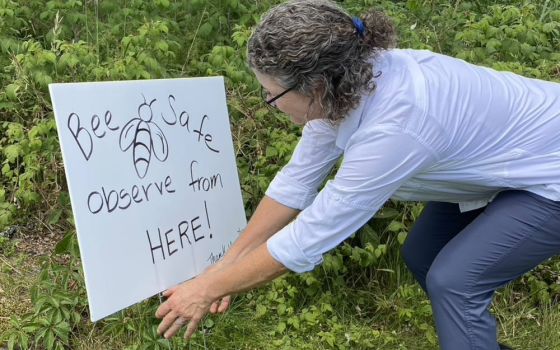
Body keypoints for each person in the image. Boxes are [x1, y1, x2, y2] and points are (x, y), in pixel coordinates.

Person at [155, 1, 560, 349]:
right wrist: (224, 267)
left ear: (313, 86)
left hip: (550, 170)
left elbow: (309, 237)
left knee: (455, 280)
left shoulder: (397, 123)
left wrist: (208, 290)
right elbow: (296, 183)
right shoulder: (346, 84)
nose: (270, 104)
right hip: (504, 163)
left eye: (272, 95)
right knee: (422, 255)